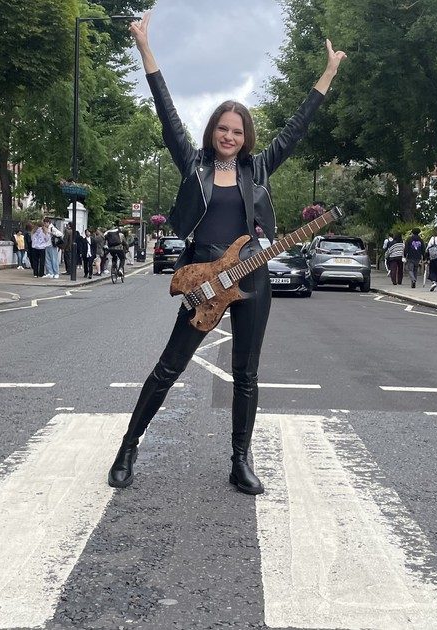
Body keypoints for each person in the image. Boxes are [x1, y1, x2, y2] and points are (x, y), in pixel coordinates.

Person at [107, 12, 345, 495]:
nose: (230, 136)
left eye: (238, 131)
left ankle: (240, 460)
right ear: (213, 131)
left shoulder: (257, 169)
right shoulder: (191, 163)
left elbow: (296, 129)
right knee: (169, 367)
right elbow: (165, 108)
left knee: (247, 372)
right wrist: (144, 48)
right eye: (223, 129)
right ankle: (128, 447)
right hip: (205, 277)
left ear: (246, 136)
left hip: (252, 273)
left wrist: (327, 75)